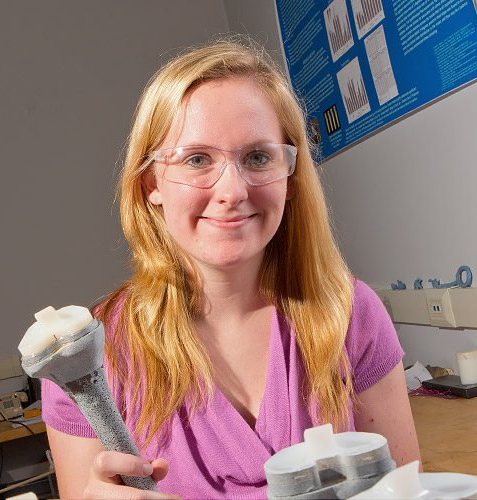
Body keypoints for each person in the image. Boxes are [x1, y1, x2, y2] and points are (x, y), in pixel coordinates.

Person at [42, 36, 420, 499]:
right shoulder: (90, 359)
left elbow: (406, 489)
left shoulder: (350, 314)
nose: (232, 191)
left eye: (258, 157)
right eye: (197, 159)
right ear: (150, 183)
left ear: (291, 178)